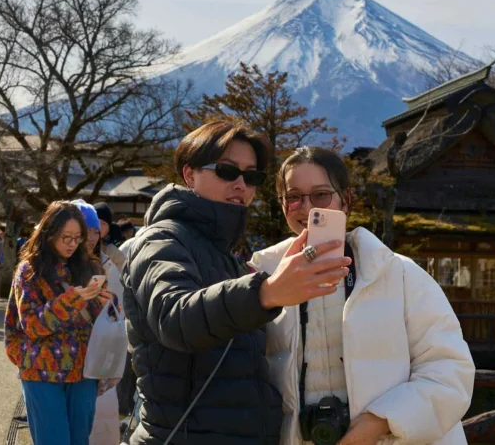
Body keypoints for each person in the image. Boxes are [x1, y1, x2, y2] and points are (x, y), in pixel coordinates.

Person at [123, 121, 351, 445]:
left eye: (252, 176)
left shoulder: (231, 258)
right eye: (227, 171)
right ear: (189, 174)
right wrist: (266, 293)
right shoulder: (161, 240)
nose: (241, 184)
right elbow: (173, 316)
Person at [248, 147, 475, 445]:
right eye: (293, 197)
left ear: (346, 200)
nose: (306, 209)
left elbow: (450, 369)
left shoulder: (399, 274)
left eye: (320, 195)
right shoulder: (260, 281)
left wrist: (381, 420)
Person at [4, 201, 116, 445]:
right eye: (66, 237)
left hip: (84, 371)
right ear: (48, 233)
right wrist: (72, 300)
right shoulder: (29, 271)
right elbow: (32, 325)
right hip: (42, 371)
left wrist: (106, 304)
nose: (73, 244)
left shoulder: (90, 267)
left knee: (79, 440)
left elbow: (95, 323)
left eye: (78, 238)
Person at [71, 200, 124, 445]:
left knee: (101, 422)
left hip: (99, 354)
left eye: (96, 231)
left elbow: (118, 308)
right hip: (64, 358)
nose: (92, 237)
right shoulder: (53, 266)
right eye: (87, 231)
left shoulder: (106, 264)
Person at [92, 202, 126, 272]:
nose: (99, 227)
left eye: (103, 223)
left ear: (109, 228)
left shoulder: (114, 253)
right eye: (96, 222)